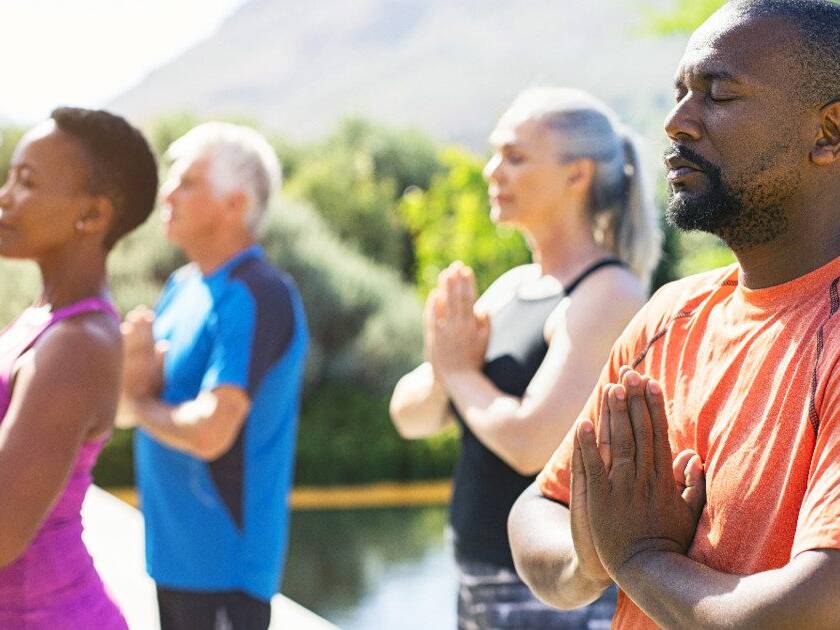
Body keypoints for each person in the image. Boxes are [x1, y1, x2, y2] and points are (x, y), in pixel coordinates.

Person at [509, 0, 840, 627]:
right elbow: (537, 509)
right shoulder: (671, 315)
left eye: (719, 94)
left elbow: (801, 613)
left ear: (828, 132)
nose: (676, 122)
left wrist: (638, 557)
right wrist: (592, 557)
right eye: (680, 91)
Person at [389, 88, 661, 628]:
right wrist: (448, 369)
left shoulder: (609, 294)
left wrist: (459, 371)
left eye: (515, 157)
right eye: (495, 154)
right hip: (481, 579)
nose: (493, 171)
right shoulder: (513, 287)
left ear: (577, 175)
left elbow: (531, 445)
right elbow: (410, 416)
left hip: (550, 594)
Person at [118, 122, 308, 630]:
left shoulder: (256, 293)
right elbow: (127, 408)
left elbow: (210, 431)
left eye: (189, 182)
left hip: (225, 571)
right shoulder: (183, 287)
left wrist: (138, 402)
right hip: (172, 560)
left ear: (235, 204)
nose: (167, 193)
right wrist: (130, 375)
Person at [0, 108, 158, 628]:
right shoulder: (42, 321)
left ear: (92, 215)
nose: (5, 195)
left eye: (27, 182)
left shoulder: (77, 344)